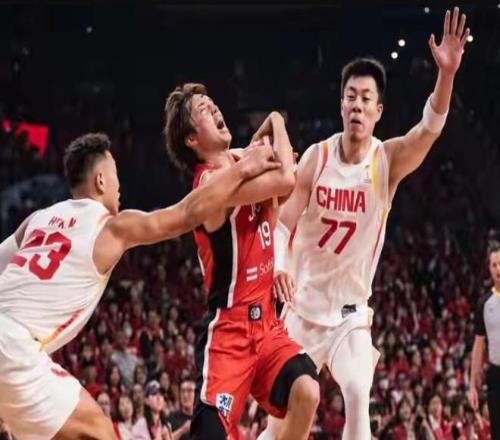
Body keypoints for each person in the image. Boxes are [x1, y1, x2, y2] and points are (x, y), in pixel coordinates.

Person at [261, 7, 470, 440]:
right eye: (351, 96)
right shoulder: (316, 158)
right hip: (301, 310)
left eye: (366, 98)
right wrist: (279, 265)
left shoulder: (385, 161)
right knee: (278, 425)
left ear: (378, 110)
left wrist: (446, 75)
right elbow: (282, 224)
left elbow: (428, 130)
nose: (357, 104)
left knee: (358, 390)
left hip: (350, 316)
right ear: (341, 104)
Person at [0, 131, 281, 440]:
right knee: (101, 433)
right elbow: (186, 213)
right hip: (14, 347)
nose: (119, 186)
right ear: (101, 181)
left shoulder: (37, 220)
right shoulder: (111, 226)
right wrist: (243, 169)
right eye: (115, 175)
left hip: (11, 340)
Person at [164, 83, 320, 440]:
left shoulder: (239, 160)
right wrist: (276, 120)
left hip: (265, 325)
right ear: (192, 139)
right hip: (229, 333)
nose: (214, 109)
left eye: (212, 103)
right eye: (203, 110)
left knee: (307, 390)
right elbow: (286, 177)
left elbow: (277, 199)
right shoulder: (209, 185)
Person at [469, 241, 500, 440]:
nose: (498, 269)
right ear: (489, 268)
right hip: (496, 375)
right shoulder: (484, 303)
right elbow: (478, 346)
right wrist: (472, 385)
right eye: (494, 265)